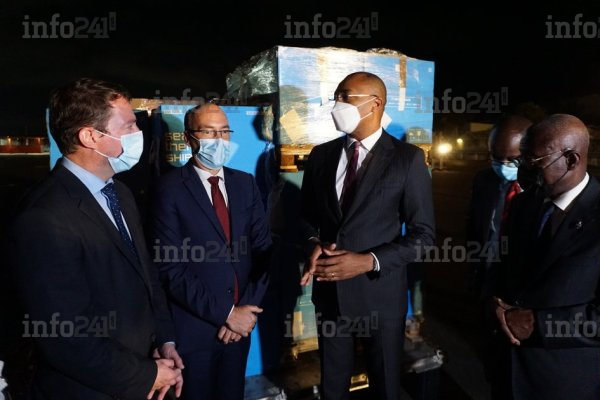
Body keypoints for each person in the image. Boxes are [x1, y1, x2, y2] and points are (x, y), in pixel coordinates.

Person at [9, 78, 183, 400]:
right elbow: (66, 336)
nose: (138, 133)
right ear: (90, 136)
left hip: (146, 369)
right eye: (129, 125)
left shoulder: (121, 193)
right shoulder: (44, 217)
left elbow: (147, 276)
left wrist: (165, 340)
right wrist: (147, 375)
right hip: (93, 389)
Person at [300, 71, 435, 399]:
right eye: (336, 97)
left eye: (345, 96)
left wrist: (368, 261)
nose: (337, 104)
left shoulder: (407, 159)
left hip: (380, 299)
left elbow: (423, 236)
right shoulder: (321, 156)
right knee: (332, 388)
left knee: (385, 387)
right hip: (331, 296)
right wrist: (313, 243)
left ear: (375, 104)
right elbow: (305, 218)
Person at [151, 103, 272, 400]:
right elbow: (170, 268)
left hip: (240, 329)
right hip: (195, 332)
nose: (219, 140)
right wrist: (226, 314)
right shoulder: (169, 189)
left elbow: (264, 252)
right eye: (208, 132)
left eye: (224, 131)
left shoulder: (245, 183)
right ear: (189, 138)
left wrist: (245, 312)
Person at [493, 114, 600, 399]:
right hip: (507, 372)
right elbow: (505, 268)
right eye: (522, 159)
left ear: (572, 160)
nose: (524, 170)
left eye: (534, 161)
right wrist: (494, 303)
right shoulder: (523, 204)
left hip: (564, 382)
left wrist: (538, 325)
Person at [466, 115, 532, 298]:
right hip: (488, 276)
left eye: (513, 160)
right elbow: (473, 227)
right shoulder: (483, 180)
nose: (503, 166)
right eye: (496, 158)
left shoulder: (545, 189)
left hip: (524, 287)